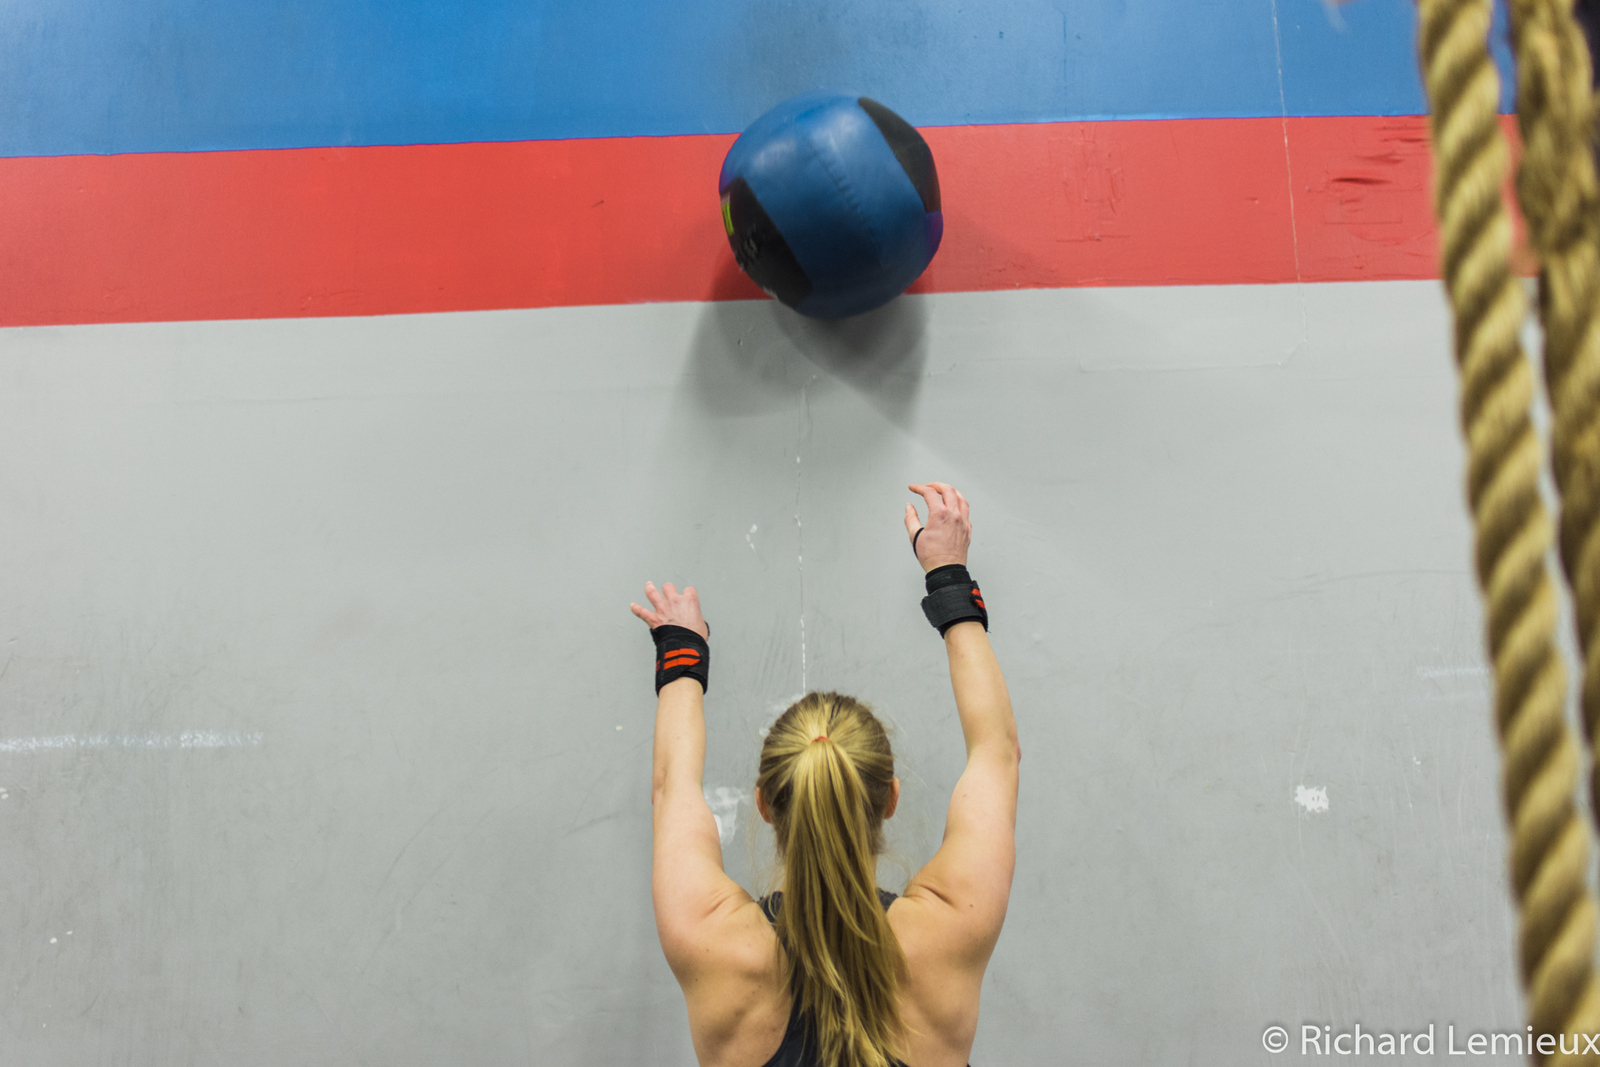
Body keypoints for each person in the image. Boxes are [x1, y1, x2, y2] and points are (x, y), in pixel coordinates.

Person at [629, 481, 1020, 1067]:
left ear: (764, 804)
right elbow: (997, 753)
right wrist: (948, 575)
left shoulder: (714, 940)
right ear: (888, 798)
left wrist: (682, 651)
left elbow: (671, 790)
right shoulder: (948, 927)